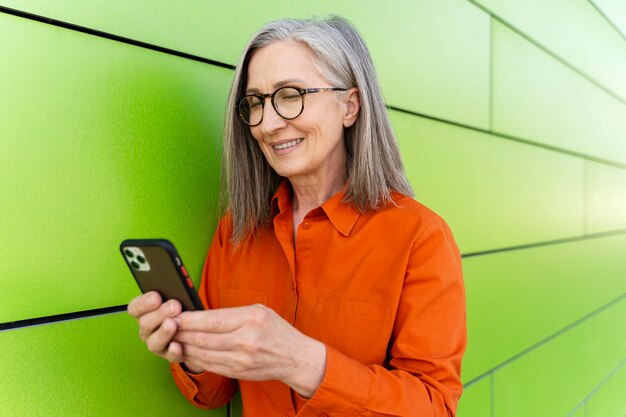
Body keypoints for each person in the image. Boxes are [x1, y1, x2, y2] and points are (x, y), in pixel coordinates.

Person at [128, 16, 466, 417]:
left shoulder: (420, 237)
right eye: (255, 102)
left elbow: (434, 406)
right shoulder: (236, 233)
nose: (268, 124)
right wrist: (190, 352)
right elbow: (214, 391)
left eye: (291, 95)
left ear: (350, 106)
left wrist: (301, 362)